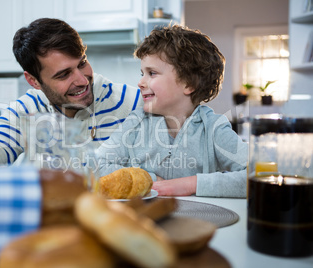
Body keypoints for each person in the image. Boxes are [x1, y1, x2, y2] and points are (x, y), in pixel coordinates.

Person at [95, 24, 248, 198]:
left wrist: (190, 184)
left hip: (199, 219)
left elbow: (256, 175)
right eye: (142, 73)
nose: (140, 83)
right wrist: (149, 179)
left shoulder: (213, 128)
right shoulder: (135, 123)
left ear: (189, 84)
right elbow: (96, 165)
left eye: (152, 73)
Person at [0, 18, 142, 165]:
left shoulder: (134, 101)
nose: (82, 80)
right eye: (64, 75)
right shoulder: (25, 110)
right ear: (33, 81)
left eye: (82, 63)